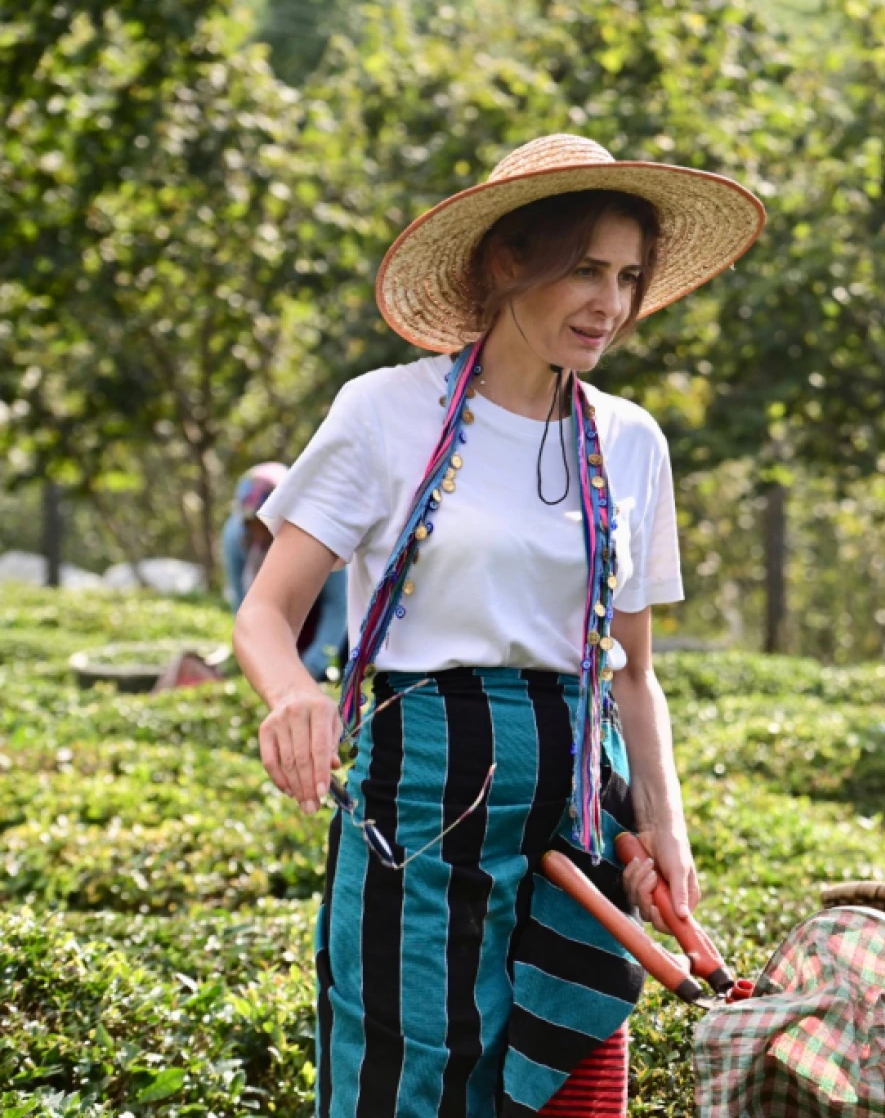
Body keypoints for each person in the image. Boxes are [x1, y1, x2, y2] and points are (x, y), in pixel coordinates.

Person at [232, 133, 764, 1116]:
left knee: (571, 1065)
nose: (609, 302)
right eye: (584, 270)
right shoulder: (384, 412)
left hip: (579, 793)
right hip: (427, 793)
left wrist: (667, 820)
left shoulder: (629, 440)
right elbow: (266, 610)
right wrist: (293, 691)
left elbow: (634, 671)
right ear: (508, 260)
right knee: (414, 1064)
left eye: (628, 276)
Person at [223, 462, 347, 682]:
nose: (259, 534)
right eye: (252, 525)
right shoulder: (236, 537)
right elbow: (242, 604)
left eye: (265, 525)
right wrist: (257, 660)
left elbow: (337, 606)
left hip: (322, 626)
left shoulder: (320, 533)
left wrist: (313, 665)